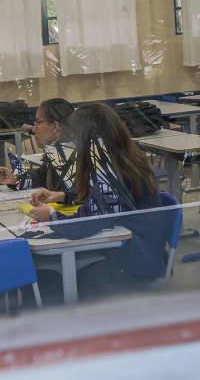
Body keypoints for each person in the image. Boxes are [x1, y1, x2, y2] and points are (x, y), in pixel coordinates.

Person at [27, 102, 172, 287]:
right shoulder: (121, 156)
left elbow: (82, 225)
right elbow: (99, 195)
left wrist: (52, 216)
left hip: (133, 265)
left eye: (78, 138)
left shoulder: (112, 171)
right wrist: (61, 196)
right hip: (138, 252)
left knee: (52, 281)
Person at [0, 98, 75, 191]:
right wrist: (15, 180)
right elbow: (42, 176)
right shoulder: (56, 150)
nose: (33, 129)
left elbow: (72, 195)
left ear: (55, 126)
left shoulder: (68, 154)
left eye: (38, 123)